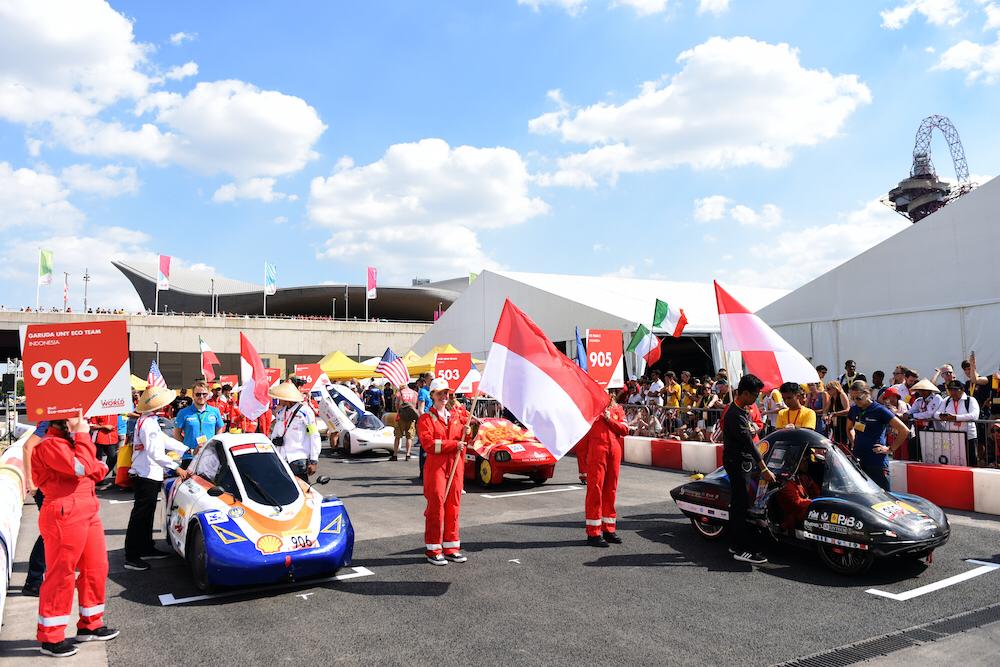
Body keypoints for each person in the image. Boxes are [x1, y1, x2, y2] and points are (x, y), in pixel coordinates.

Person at [31, 411, 119, 657]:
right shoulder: (50, 444)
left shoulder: (73, 441)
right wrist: (82, 436)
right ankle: (51, 637)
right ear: (63, 420)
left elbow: (99, 469)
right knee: (62, 574)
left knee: (96, 567)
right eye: (77, 417)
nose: (85, 420)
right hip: (64, 510)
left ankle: (90, 624)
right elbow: (83, 467)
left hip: (86, 507)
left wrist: (84, 447)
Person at [124, 386, 191, 571]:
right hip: (146, 473)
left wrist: (186, 449)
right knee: (140, 516)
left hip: (147, 473)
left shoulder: (149, 420)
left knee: (146, 514)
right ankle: (132, 556)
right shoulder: (148, 423)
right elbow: (155, 452)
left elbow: (163, 440)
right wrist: (176, 467)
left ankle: (145, 547)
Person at [417, 378, 472, 565]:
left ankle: (451, 547)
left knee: (453, 505)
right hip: (436, 468)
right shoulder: (425, 419)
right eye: (440, 393)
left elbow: (466, 439)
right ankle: (433, 549)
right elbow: (429, 445)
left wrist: (468, 431)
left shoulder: (456, 416)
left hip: (455, 467)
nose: (443, 396)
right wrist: (454, 444)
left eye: (446, 393)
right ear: (432, 395)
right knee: (436, 507)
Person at [722, 374, 775, 564]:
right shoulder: (734, 414)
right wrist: (764, 469)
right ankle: (741, 548)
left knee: (739, 503)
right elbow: (749, 444)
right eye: (755, 395)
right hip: (737, 462)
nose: (757, 399)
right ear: (744, 393)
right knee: (740, 505)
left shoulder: (743, 410)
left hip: (740, 461)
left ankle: (735, 542)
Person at [581, 391, 629, 547]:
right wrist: (582, 468)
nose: (608, 395)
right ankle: (593, 533)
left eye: (610, 392)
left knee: (611, 490)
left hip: (614, 452)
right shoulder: (591, 410)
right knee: (595, 490)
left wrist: (609, 419)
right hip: (597, 453)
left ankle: (609, 530)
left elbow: (624, 429)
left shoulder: (618, 409)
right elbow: (582, 438)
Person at [846, 380, 909, 491]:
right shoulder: (854, 409)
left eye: (858, 398)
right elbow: (849, 428)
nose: (855, 401)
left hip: (876, 461)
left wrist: (890, 449)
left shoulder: (880, 410)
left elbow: (904, 430)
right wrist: (853, 441)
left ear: (867, 394)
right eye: (852, 398)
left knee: (884, 495)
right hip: (858, 458)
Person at [269, 381, 321, 481]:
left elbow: (314, 435)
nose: (278, 399)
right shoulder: (281, 412)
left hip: (298, 458)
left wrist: (314, 460)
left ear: (287, 398)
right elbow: (275, 434)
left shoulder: (305, 412)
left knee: (302, 489)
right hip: (282, 458)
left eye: (280, 397)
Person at [21, 421, 50, 597]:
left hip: (51, 485)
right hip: (44, 486)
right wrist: (31, 482)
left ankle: (38, 579)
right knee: (50, 533)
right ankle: (33, 582)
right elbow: (27, 447)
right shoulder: (50, 419)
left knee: (54, 533)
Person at [173, 381, 226, 465]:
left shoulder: (215, 411)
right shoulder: (183, 413)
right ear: (193, 395)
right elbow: (176, 434)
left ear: (208, 395)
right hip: (190, 457)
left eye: (204, 394)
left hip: (210, 456)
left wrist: (215, 445)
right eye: (198, 394)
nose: (201, 397)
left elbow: (219, 429)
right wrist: (188, 448)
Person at [934, 379, 982, 466]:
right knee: (953, 460)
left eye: (955, 390)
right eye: (950, 390)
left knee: (971, 461)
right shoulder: (946, 400)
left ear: (962, 389)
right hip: (951, 437)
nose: (953, 392)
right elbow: (936, 414)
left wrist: (955, 418)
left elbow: (974, 415)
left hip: (968, 437)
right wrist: (942, 416)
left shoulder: (970, 400)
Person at [774, 450, 822, 531]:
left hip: (804, 515)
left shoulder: (802, 477)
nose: (807, 463)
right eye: (804, 460)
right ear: (796, 462)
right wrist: (814, 502)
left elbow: (818, 494)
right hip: (792, 523)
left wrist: (812, 484)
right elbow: (797, 503)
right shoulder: (785, 482)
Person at [391, 381, 419, 461]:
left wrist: (398, 412)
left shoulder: (400, 393)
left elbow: (396, 404)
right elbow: (415, 404)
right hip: (411, 417)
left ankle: (395, 454)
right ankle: (408, 454)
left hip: (401, 417)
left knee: (397, 436)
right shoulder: (414, 393)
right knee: (409, 436)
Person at [826, 381, 851, 446]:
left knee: (843, 440)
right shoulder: (831, 397)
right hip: (835, 421)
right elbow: (826, 409)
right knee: (836, 439)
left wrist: (835, 414)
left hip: (843, 421)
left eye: (828, 389)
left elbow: (848, 409)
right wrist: (825, 415)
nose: (827, 391)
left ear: (835, 388)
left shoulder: (842, 395)